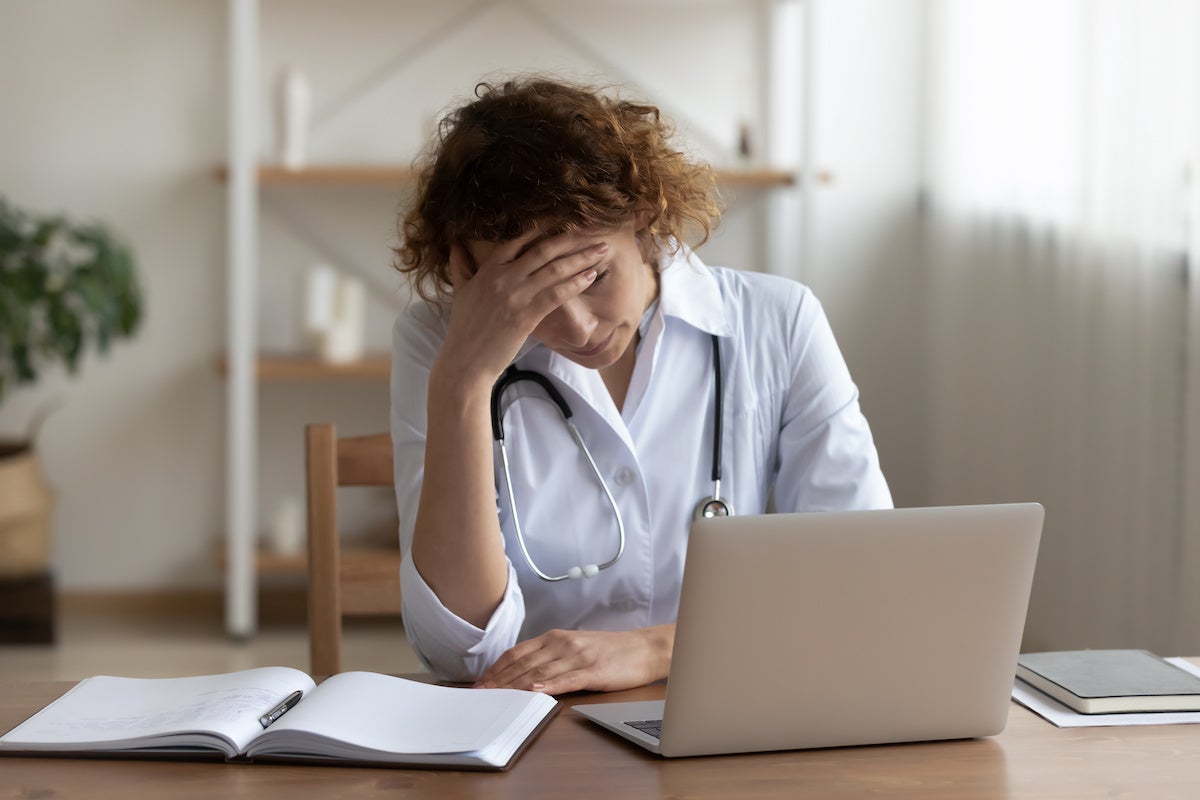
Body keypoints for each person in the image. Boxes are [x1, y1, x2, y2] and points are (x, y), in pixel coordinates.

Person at [389, 77, 892, 694]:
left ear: (643, 217)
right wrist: (464, 380)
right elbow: (461, 656)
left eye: (594, 276)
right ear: (464, 269)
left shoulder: (780, 324)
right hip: (540, 741)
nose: (578, 326)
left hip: (740, 710)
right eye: (531, 297)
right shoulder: (439, 345)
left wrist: (658, 649)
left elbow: (860, 586)